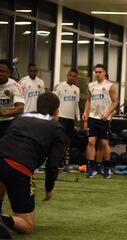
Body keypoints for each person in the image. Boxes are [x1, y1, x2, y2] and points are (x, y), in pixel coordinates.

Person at [0, 92, 64, 236]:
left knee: (3, 174)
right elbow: (53, 164)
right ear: (56, 111)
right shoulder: (56, 127)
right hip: (19, 167)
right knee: (27, 225)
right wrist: (49, 188)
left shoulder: (19, 118)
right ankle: (3, 220)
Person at [82, 64, 118, 179]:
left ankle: (106, 168)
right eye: (96, 72)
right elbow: (88, 100)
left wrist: (107, 113)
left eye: (100, 72)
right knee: (91, 141)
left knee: (104, 143)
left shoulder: (110, 86)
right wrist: (85, 113)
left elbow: (115, 102)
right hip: (93, 117)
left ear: (104, 73)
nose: (97, 74)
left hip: (104, 119)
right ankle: (91, 168)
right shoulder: (90, 85)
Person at [53, 69, 81, 166]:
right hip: (61, 117)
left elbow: (76, 105)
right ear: (67, 75)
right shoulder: (59, 86)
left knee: (67, 141)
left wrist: (78, 120)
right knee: (60, 140)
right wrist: (54, 115)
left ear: (76, 78)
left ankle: (62, 159)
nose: (72, 77)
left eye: (74, 76)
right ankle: (55, 160)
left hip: (70, 119)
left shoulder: (77, 89)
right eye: (71, 75)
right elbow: (54, 102)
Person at [0, 59, 24, 137]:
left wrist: (3, 114)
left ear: (9, 73)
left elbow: (20, 108)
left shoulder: (15, 86)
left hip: (8, 123)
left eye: (2, 71)